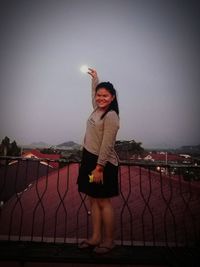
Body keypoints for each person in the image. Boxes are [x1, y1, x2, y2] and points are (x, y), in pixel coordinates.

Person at [77, 68, 120, 254]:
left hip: (101, 164)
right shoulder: (97, 110)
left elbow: (107, 144)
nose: (101, 98)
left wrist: (99, 168)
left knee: (103, 202)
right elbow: (94, 93)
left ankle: (109, 241)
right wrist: (95, 79)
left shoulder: (111, 116)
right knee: (93, 200)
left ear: (112, 97)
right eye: (98, 95)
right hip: (89, 160)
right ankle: (95, 238)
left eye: (105, 96)